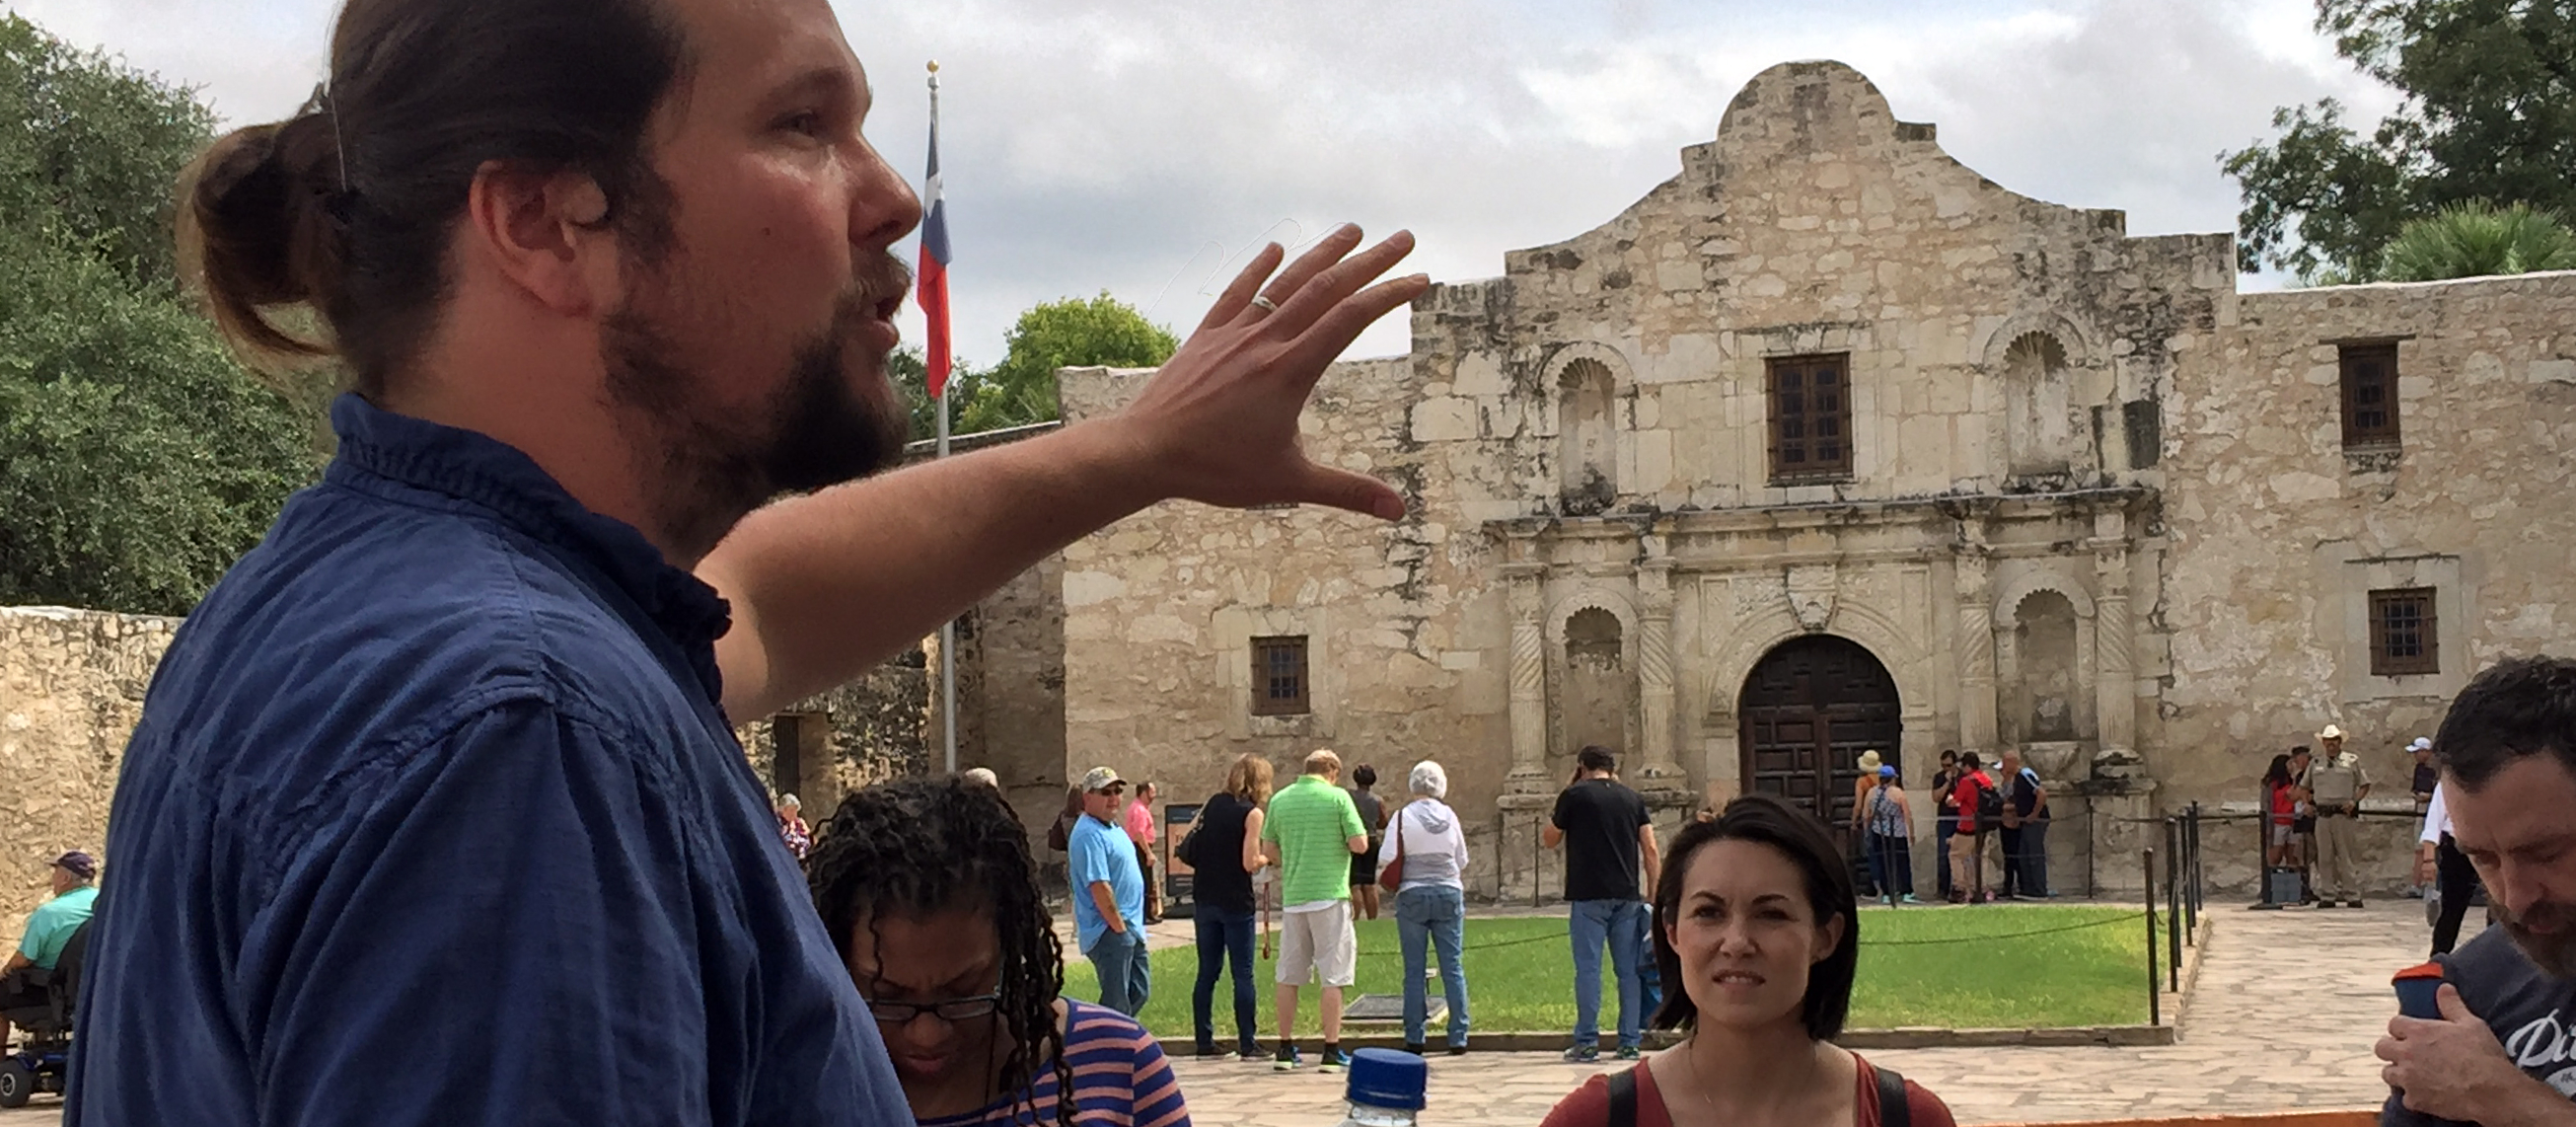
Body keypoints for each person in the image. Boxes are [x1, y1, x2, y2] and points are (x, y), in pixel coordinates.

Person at [76, 0, 1427, 1117]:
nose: (892, 196)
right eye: (802, 124)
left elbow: (767, 593)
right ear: (543, 225)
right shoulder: (515, 730)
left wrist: (1142, 451)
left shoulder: (385, 603)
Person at [1538, 795, 1958, 1127]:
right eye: (1708, 912)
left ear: (1825, 936)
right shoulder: (1596, 1119)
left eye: (1771, 914)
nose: (1736, 942)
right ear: (1671, 932)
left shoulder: (1908, 1118)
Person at [808, 777, 1190, 1127]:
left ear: (1009, 950)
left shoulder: (1119, 1066)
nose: (927, 1034)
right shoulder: (793, 1089)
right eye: (887, 997)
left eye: (962, 992)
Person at [2378, 656, 2576, 1127]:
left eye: (2546, 853)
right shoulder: (2459, 996)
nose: (2515, 896)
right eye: (2482, 858)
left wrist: (2514, 1105)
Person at [1545, 745, 1660, 1063]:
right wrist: (1654, 891)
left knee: (1589, 970)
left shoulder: (1575, 796)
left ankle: (1587, 1041)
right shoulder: (1631, 798)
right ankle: (1629, 1041)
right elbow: (1650, 848)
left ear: (1581, 766)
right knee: (1628, 971)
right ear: (1613, 768)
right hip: (1626, 894)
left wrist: (1570, 788)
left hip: (1587, 894)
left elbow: (1550, 838)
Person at [1261, 748, 1368, 1073]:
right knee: (1333, 974)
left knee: (1289, 973)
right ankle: (1331, 1049)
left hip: (1295, 897)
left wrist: (1294, 859)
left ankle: (1284, 1047)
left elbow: (1268, 849)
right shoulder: (1337, 798)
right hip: (1330, 895)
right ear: (1333, 772)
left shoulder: (1280, 800)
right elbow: (1359, 843)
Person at [1381, 759, 1471, 1056]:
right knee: (1452, 965)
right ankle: (1458, 1034)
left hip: (1413, 893)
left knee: (1414, 969)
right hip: (1448, 891)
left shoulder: (1403, 816)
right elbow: (1462, 859)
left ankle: (1415, 1035)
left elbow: (1388, 855)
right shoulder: (1450, 815)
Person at [1188, 754, 1274, 1061]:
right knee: (1243, 974)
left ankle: (1204, 1039)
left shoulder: (1213, 803)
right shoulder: (1251, 814)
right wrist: (1268, 858)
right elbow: (1249, 861)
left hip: (1205, 896)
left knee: (1207, 972)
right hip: (1236, 900)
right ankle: (1248, 1042)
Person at [1067, 767, 1150, 1016]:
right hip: (1109, 931)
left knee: (1139, 992)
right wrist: (1119, 928)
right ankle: (1109, 1048)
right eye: (1106, 792)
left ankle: (1107, 1038)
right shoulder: (1088, 834)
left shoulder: (1112, 827)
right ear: (1087, 798)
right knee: (1117, 1004)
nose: (1113, 797)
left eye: (1117, 791)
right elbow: (1099, 887)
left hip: (1130, 927)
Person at [0, 853, 98, 1050]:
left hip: (55, 991)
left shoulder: (50, 913)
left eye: (55, 873)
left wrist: (4, 972)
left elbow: (22, 960)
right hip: (97, 988)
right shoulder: (106, 905)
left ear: (65, 878)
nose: (52, 879)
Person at [2308, 725, 2373, 908]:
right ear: (2323, 743)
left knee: (2346, 856)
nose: (2331, 744)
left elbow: (2364, 784)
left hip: (2343, 814)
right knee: (2325, 857)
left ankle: (2352, 894)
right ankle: (2327, 894)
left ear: (2339, 742)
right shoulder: (2316, 763)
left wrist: (2354, 801)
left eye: (2334, 740)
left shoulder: (2351, 761)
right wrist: (2308, 804)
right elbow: (2305, 786)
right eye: (2328, 741)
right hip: (2323, 814)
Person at [1998, 748, 2048, 900]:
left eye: (2006, 762)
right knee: (2023, 854)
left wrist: (2034, 814)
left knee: (2034, 855)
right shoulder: (2016, 779)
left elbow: (2042, 793)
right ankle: (2028, 889)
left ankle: (2039, 890)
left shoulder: (2026, 774)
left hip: (2035, 821)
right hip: (2024, 821)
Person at [1948, 754, 1998, 904]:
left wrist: (1950, 799)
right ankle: (1979, 888)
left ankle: (1959, 888)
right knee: (1979, 857)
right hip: (1984, 825)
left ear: (1968, 766)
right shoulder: (1986, 779)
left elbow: (1954, 801)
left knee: (1955, 855)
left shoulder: (1966, 781)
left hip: (1968, 824)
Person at [1863, 767, 1917, 905]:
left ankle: (1886, 893)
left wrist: (1867, 831)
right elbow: (1906, 814)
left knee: (1882, 863)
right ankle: (1906, 891)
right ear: (1893, 778)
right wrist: (1911, 832)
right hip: (1898, 832)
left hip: (1878, 831)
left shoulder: (1871, 792)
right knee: (1902, 862)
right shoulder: (1897, 793)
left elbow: (1866, 815)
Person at [1347, 765, 1388, 921]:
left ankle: (1355, 917)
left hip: (1354, 839)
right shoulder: (1378, 800)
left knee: (1355, 883)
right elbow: (1383, 823)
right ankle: (1372, 918)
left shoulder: (1349, 796)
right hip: (1372, 840)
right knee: (1370, 883)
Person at [1127, 781, 1163, 926]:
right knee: (1145, 882)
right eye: (1152, 792)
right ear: (1144, 793)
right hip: (1141, 848)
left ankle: (1147, 913)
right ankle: (1145, 915)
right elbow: (1139, 833)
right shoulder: (1140, 811)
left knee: (1145, 881)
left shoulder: (1137, 808)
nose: (1154, 795)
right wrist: (1148, 853)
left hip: (1139, 847)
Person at [1848, 750, 1883, 896]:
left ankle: (1876, 886)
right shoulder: (1882, 779)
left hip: (1869, 821)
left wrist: (1853, 822)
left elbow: (1858, 804)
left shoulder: (1862, 782)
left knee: (1872, 854)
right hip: (1885, 822)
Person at [2407, 737, 2438, 899]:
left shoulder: (2437, 770)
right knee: (2419, 846)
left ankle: (2431, 885)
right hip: (2420, 808)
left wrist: (2430, 797)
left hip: (2433, 808)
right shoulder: (2419, 769)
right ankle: (2417, 884)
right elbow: (2414, 788)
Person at [1929, 751, 1960, 902]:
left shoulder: (1963, 777)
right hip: (1945, 820)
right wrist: (1947, 783)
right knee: (1943, 856)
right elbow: (1936, 797)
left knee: (1961, 857)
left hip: (1961, 819)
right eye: (1943, 766)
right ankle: (1942, 890)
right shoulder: (1940, 777)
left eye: (1949, 765)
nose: (1946, 768)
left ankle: (1959, 889)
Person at [2263, 754, 2301, 872]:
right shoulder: (2270, 784)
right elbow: (2266, 803)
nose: (2292, 766)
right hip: (2278, 823)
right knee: (2275, 856)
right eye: (2290, 764)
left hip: (2293, 822)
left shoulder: (2294, 782)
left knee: (2293, 857)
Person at [778, 793, 814, 864]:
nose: (794, 813)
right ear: (783, 810)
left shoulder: (799, 823)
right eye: (791, 810)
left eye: (795, 810)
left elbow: (811, 838)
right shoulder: (777, 823)